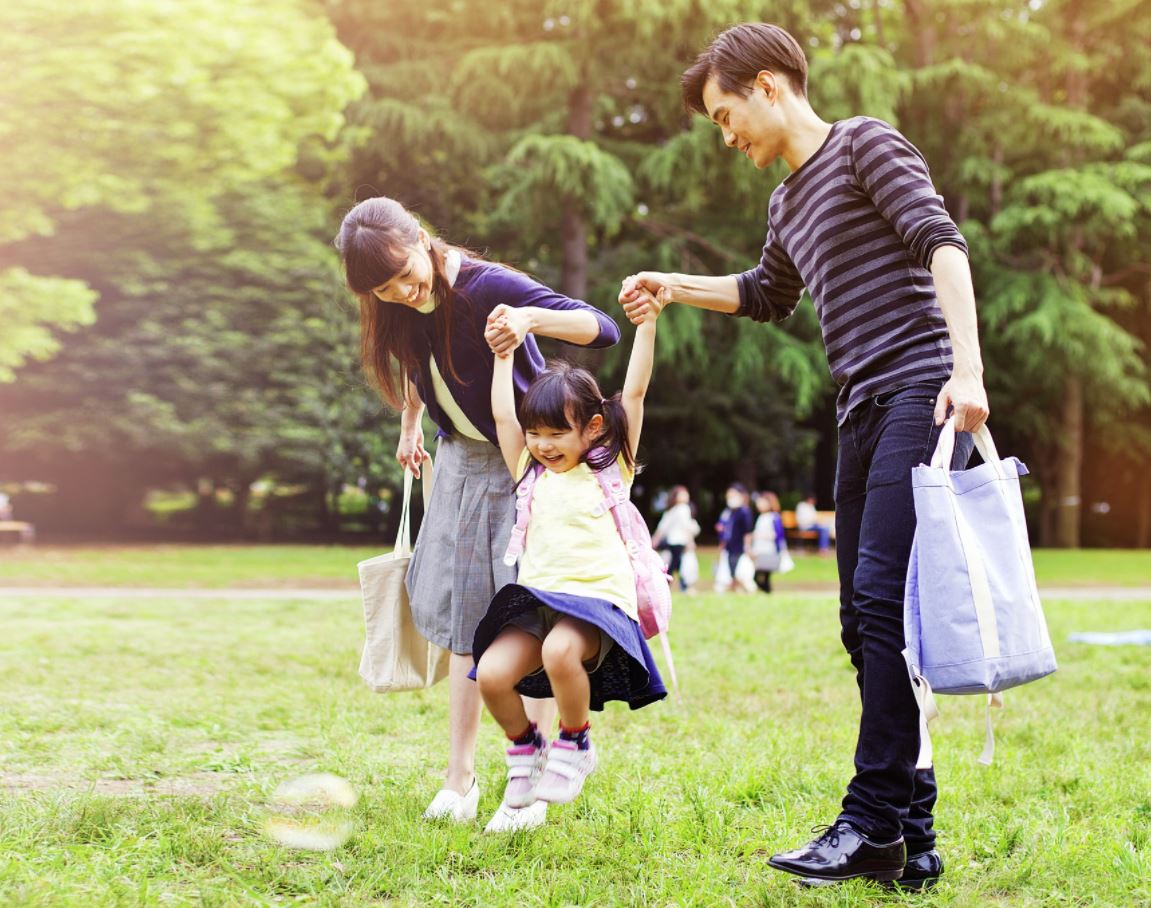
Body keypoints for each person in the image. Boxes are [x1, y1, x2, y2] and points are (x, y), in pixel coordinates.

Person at [620, 23, 988, 888]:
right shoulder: (786, 203)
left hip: (922, 388)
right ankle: (912, 837)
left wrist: (966, 371)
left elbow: (942, 245)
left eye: (724, 114)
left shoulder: (864, 144)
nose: (725, 135)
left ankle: (867, 824)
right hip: (861, 409)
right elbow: (765, 294)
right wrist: (672, 287)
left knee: (879, 605)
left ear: (768, 86)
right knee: (863, 628)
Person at [337, 196, 621, 833]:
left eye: (407, 274)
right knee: (468, 624)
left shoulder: (489, 286)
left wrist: (526, 319)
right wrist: (412, 420)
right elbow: (419, 361)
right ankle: (458, 780)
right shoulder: (401, 308)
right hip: (459, 464)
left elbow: (601, 327)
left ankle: (534, 791)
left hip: (523, 466)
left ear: (421, 238)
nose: (403, 293)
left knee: (530, 621)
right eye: (384, 290)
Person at [471, 293, 667, 823]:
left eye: (557, 433)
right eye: (536, 433)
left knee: (562, 653)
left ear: (593, 428)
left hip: (596, 602)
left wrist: (646, 326)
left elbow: (636, 391)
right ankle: (524, 746)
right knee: (490, 674)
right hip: (536, 601)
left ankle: (576, 741)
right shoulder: (527, 472)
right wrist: (504, 352)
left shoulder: (610, 469)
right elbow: (500, 413)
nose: (542, 444)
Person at [652, 485, 700, 592]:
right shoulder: (683, 509)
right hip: (680, 541)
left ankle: (668, 584)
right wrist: (690, 541)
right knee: (678, 563)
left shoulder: (671, 510)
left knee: (675, 563)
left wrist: (654, 540)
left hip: (672, 541)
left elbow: (662, 527)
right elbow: (686, 527)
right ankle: (682, 585)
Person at [715, 483, 754, 592]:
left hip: (739, 547)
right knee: (730, 571)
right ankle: (737, 590)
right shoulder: (729, 512)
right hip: (729, 547)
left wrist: (747, 546)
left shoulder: (744, 512)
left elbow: (747, 531)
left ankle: (743, 589)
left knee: (739, 572)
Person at [751, 491, 786, 593]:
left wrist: (761, 535)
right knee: (761, 576)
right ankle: (767, 592)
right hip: (760, 549)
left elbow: (778, 535)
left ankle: (767, 592)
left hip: (769, 550)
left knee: (762, 576)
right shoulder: (761, 517)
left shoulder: (774, 517)